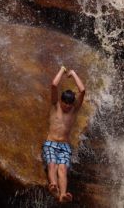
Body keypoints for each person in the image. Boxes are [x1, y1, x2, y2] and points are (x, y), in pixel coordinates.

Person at [42, 66, 85, 203]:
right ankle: (53, 186)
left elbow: (82, 90)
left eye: (69, 104)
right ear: (61, 100)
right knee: (52, 164)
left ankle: (63, 195)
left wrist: (73, 73)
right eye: (65, 103)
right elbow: (54, 85)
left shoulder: (74, 110)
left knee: (63, 169)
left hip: (65, 146)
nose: (67, 106)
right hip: (50, 143)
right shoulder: (55, 106)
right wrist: (62, 70)